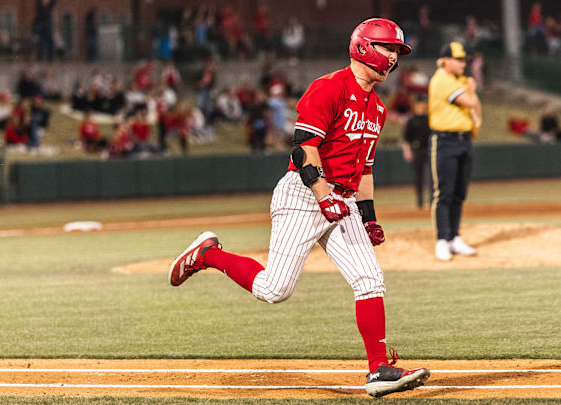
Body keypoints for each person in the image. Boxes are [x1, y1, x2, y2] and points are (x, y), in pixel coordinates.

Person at [167, 18, 430, 398]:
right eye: (388, 48)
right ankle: (208, 255)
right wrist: (323, 196)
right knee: (275, 289)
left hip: (342, 198)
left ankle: (379, 370)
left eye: (396, 52)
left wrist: (369, 217)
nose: (392, 58)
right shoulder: (328, 89)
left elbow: (366, 169)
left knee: (370, 279)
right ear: (364, 47)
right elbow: (304, 150)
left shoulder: (378, 109)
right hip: (304, 194)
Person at [428, 42, 480, 261]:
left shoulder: (459, 79)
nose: (462, 63)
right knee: (444, 193)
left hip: (464, 140)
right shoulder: (441, 79)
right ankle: (442, 239)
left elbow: (476, 110)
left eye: (463, 60)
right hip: (445, 141)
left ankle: (454, 237)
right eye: (458, 60)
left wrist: (471, 93)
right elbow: (470, 101)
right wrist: (472, 89)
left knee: (459, 192)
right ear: (445, 61)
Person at [402, 96, 431, 209]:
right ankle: (420, 202)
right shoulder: (411, 121)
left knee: (431, 176)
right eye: (419, 104)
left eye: (423, 104)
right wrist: (407, 151)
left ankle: (432, 201)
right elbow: (406, 139)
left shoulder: (429, 119)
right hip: (417, 150)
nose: (421, 107)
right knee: (418, 177)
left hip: (428, 149)